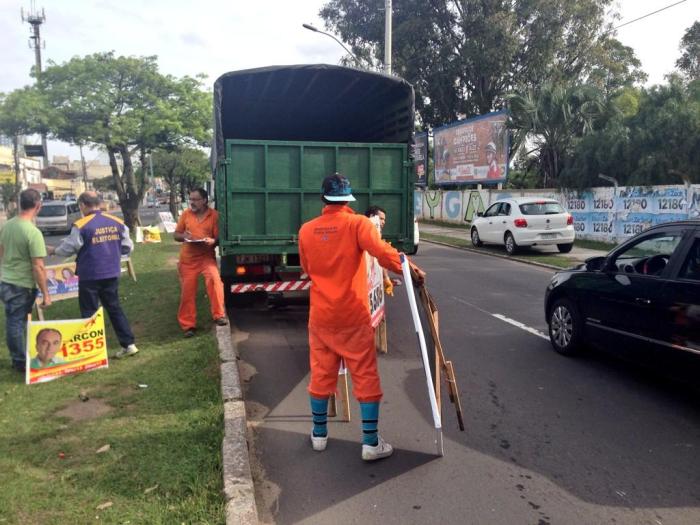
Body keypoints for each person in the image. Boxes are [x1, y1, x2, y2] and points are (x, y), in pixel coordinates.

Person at [299, 173, 425, 461]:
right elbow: (383, 253)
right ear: (348, 199)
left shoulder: (306, 230)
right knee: (365, 376)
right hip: (353, 316)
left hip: (320, 317)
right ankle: (370, 443)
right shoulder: (358, 225)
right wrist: (410, 268)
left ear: (323, 198)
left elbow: (306, 266)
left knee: (321, 375)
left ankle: (319, 435)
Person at [49, 192, 138, 359]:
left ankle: (93, 352)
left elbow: (69, 247)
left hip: (90, 274)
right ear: (99, 203)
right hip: (111, 272)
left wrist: (53, 250)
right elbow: (128, 246)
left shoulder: (82, 224)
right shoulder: (117, 221)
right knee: (114, 308)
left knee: (89, 311)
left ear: (83, 205)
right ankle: (128, 344)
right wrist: (112, 252)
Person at [0, 189, 51, 372]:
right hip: (21, 285)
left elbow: (2, 252)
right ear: (38, 206)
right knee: (15, 323)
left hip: (6, 281)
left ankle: (21, 355)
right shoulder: (33, 232)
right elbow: (38, 267)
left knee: (17, 321)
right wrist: (46, 294)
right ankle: (19, 361)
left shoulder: (7, 225)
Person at [173, 188, 227, 337]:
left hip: (206, 258)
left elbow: (218, 238)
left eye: (195, 199)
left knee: (215, 282)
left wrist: (213, 241)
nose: (192, 203)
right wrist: (184, 236)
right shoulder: (186, 215)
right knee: (187, 292)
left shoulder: (214, 216)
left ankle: (219, 315)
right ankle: (188, 326)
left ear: (204, 200)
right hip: (188, 259)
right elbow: (176, 235)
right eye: (191, 199)